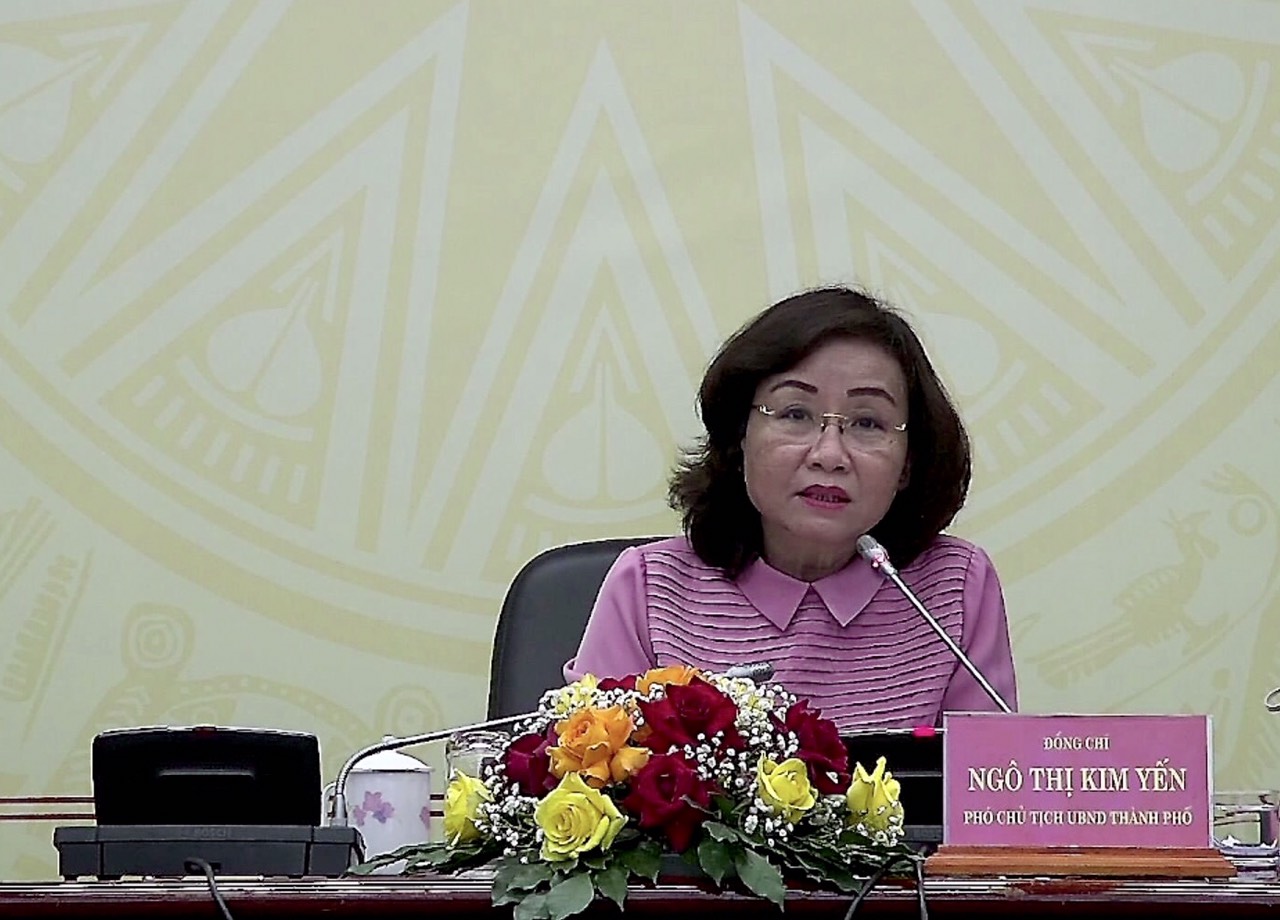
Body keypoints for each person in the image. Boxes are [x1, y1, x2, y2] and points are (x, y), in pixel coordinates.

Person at [564, 286, 1017, 731]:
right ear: (740, 436)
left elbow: (991, 773)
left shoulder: (954, 587)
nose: (829, 455)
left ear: (908, 462)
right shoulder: (649, 589)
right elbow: (586, 767)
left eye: (867, 422)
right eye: (796, 414)